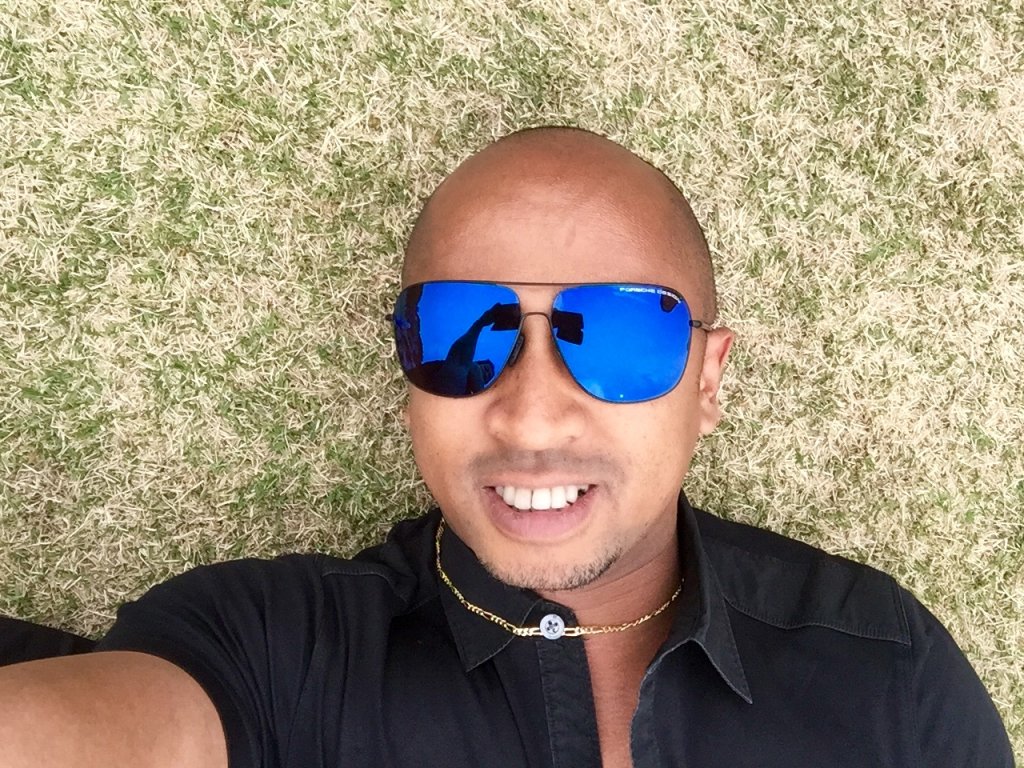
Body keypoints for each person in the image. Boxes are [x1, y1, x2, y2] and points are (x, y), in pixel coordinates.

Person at [0, 127, 1013, 768]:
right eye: (463, 333)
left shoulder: (884, 672)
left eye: (619, 336)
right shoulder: (274, 651)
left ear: (708, 380)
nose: (530, 419)